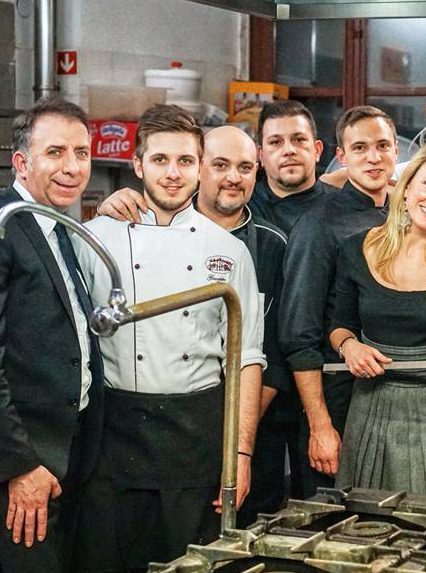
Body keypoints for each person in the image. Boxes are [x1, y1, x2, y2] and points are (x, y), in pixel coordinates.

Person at [73, 105, 265, 571]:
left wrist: (240, 454)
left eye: (185, 161)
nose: (173, 173)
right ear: (138, 165)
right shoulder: (93, 238)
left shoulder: (229, 251)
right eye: (160, 160)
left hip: (194, 437)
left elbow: (246, 359)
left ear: (200, 167)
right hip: (113, 436)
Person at [327, 140, 426, 496]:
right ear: (407, 186)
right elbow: (340, 326)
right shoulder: (356, 249)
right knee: (364, 522)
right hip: (369, 408)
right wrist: (349, 346)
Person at [0, 98, 103, 572]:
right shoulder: (7, 227)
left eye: (81, 153)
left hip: (67, 452)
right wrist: (19, 465)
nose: (72, 167)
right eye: (55, 152)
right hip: (23, 462)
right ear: (22, 163)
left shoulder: (58, 227)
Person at [280, 106, 397, 496]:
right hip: (336, 399)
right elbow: (299, 336)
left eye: (382, 146)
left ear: (396, 151)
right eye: (360, 148)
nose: (373, 157)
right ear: (342, 156)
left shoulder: (405, 216)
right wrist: (320, 426)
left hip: (389, 402)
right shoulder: (318, 225)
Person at [193, 126, 293, 527]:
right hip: (180, 429)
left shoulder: (274, 244)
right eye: (221, 165)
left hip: (255, 434)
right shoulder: (160, 230)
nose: (234, 177)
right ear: (199, 167)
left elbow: (278, 353)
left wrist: (236, 439)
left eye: (245, 167)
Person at [98, 100, 337, 235]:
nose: (289, 151)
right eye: (220, 165)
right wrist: (112, 206)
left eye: (299, 139)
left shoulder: (338, 206)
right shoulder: (237, 199)